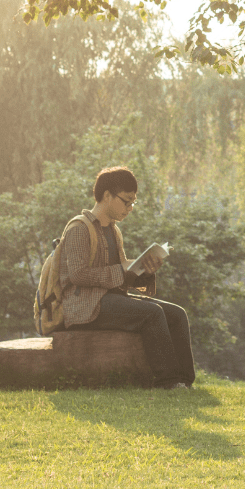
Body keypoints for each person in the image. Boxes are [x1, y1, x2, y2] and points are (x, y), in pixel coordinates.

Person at [58, 166, 195, 389]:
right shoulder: (78, 228)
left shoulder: (114, 231)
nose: (130, 208)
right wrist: (122, 269)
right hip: (85, 307)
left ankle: (185, 381)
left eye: (133, 203)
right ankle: (168, 382)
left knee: (177, 314)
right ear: (107, 196)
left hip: (111, 300)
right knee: (152, 313)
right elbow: (78, 274)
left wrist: (145, 271)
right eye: (126, 201)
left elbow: (123, 278)